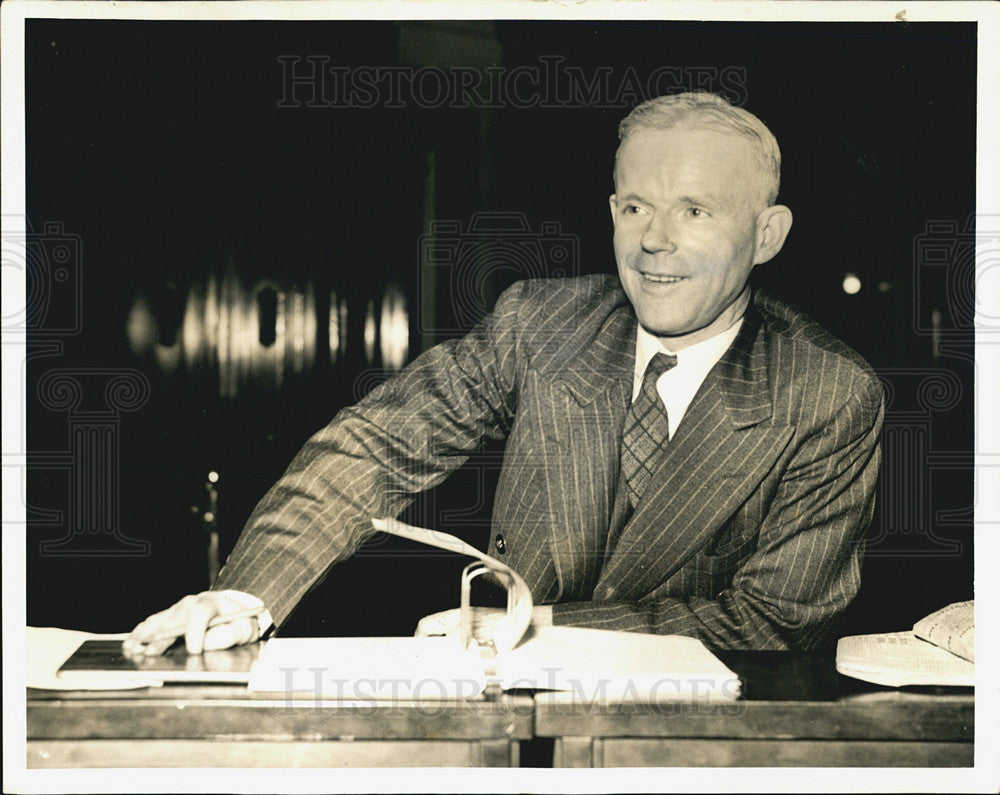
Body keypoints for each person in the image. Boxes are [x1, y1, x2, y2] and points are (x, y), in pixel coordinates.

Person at [125, 91, 883, 656]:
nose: (653, 241)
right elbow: (372, 447)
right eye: (633, 207)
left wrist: (538, 626)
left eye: (694, 212)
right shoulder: (540, 323)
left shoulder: (828, 393)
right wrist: (246, 591)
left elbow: (775, 619)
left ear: (767, 235)